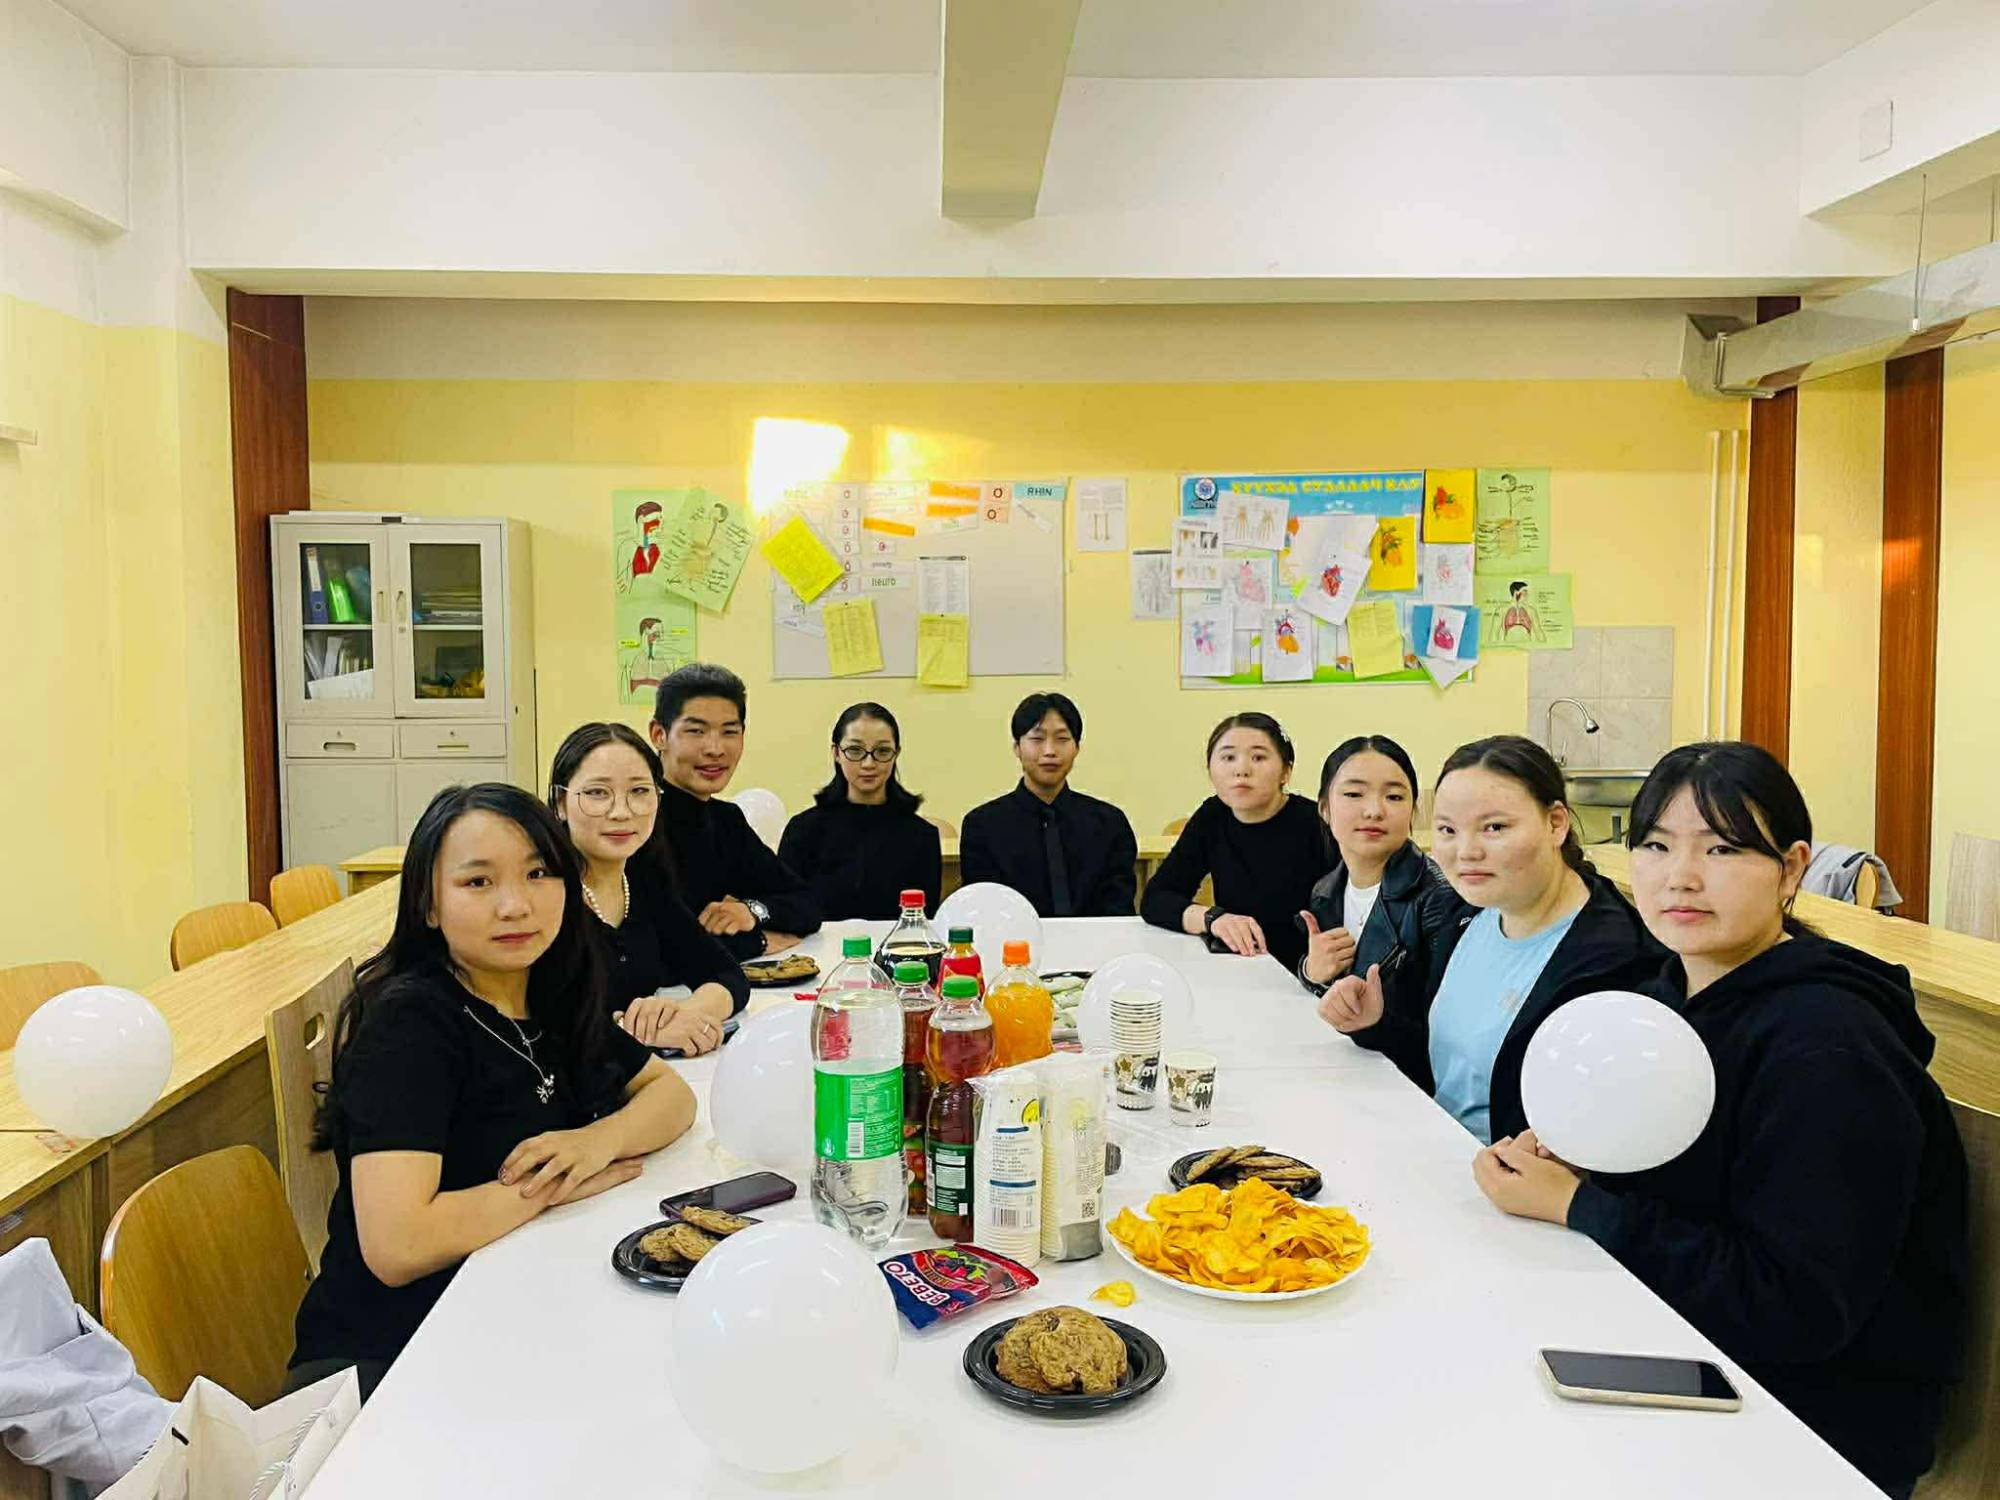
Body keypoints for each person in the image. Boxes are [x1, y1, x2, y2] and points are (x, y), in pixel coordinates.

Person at [1472, 743, 1968, 1500]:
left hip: (1803, 1426)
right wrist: (1568, 1164)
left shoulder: (1830, 1047)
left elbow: (1797, 1309)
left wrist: (1579, 1205)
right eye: (1655, 846)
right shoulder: (1664, 998)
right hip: (1674, 1345)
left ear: (1792, 869)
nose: (1681, 877)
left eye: (1724, 849)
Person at [289, 785, 696, 1399]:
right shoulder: (409, 1025)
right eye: (478, 882)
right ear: (428, 904)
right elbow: (398, 1245)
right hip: (389, 1359)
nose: (515, 906)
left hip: (512, 1308)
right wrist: (549, 1188)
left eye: (538, 874)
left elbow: (671, 1096)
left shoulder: (549, 991)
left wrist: (597, 1142)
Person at [1318, 734, 1661, 1143]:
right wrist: (1376, 1024)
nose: (1466, 851)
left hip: (1504, 1175)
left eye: (1494, 827)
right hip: (1432, 1147)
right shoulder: (1464, 913)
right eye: (1447, 829)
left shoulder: (1615, 959)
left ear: (1556, 823)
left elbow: (1613, 1127)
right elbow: (1446, 1069)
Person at [547, 721, 747, 1053]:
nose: (621, 812)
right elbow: (533, 1022)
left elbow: (726, 974)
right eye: (597, 793)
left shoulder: (644, 881)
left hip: (645, 1073)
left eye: (639, 791)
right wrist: (631, 1032)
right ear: (559, 802)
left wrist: (686, 1015)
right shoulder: (541, 893)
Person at [648, 662, 820, 960]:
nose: (715, 749)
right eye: (696, 731)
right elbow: (651, 946)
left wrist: (752, 911)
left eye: (729, 732)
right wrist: (758, 942)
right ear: (659, 734)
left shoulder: (725, 820)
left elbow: (807, 904)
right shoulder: (635, 820)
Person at [1140, 712, 1328, 972]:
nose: (1241, 770)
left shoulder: (1317, 823)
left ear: (1286, 771)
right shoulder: (1213, 815)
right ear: (1211, 770)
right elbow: (1156, 898)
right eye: (1228, 757)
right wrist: (1212, 918)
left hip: (1309, 971)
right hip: (1241, 965)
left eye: (1258, 758)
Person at [1296, 735, 1455, 1014]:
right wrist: (1312, 972)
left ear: (1412, 812)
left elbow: (1442, 1018)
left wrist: (1373, 1021)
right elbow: (1328, 989)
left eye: (1394, 797)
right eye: (1354, 794)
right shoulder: (1325, 891)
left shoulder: (1439, 900)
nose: (1374, 811)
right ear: (1324, 809)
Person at [959, 692, 1138, 917]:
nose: (1050, 751)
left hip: (1096, 938)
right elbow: (985, 908)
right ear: (1017, 747)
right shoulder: (982, 825)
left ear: (1077, 747)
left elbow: (1118, 908)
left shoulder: (1110, 823)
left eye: (1062, 739)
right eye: (1037, 739)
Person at [777, 702, 942, 920]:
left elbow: (923, 919)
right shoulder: (803, 830)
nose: (868, 763)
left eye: (882, 751)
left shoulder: (922, 836)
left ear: (896, 754)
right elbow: (787, 909)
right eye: (855, 750)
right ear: (836, 753)